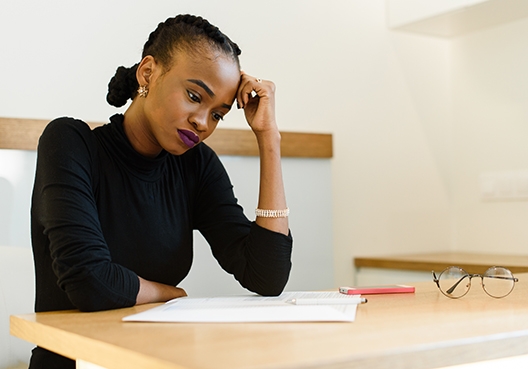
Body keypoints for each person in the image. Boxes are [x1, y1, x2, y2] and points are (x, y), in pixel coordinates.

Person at [29, 14, 293, 369]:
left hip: (159, 359)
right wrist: (169, 294)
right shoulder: (69, 144)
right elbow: (88, 280)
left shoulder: (196, 165)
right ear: (148, 73)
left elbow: (266, 275)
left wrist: (269, 139)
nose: (203, 122)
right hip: (76, 362)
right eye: (194, 96)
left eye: (218, 114)